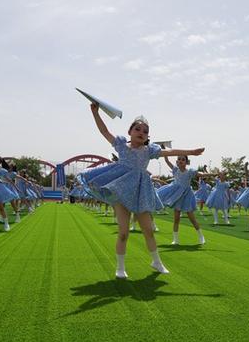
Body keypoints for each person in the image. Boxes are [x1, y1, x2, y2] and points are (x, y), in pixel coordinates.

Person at [79, 103, 204, 278]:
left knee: (148, 230)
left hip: (140, 192)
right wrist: (95, 113)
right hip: (121, 192)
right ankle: (120, 268)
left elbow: (170, 151)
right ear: (130, 132)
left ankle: (157, 262)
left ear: (147, 137)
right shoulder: (121, 145)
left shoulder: (149, 151)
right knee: (123, 232)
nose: (141, 132)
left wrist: (191, 151)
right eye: (137, 129)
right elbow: (105, 132)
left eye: (145, 131)